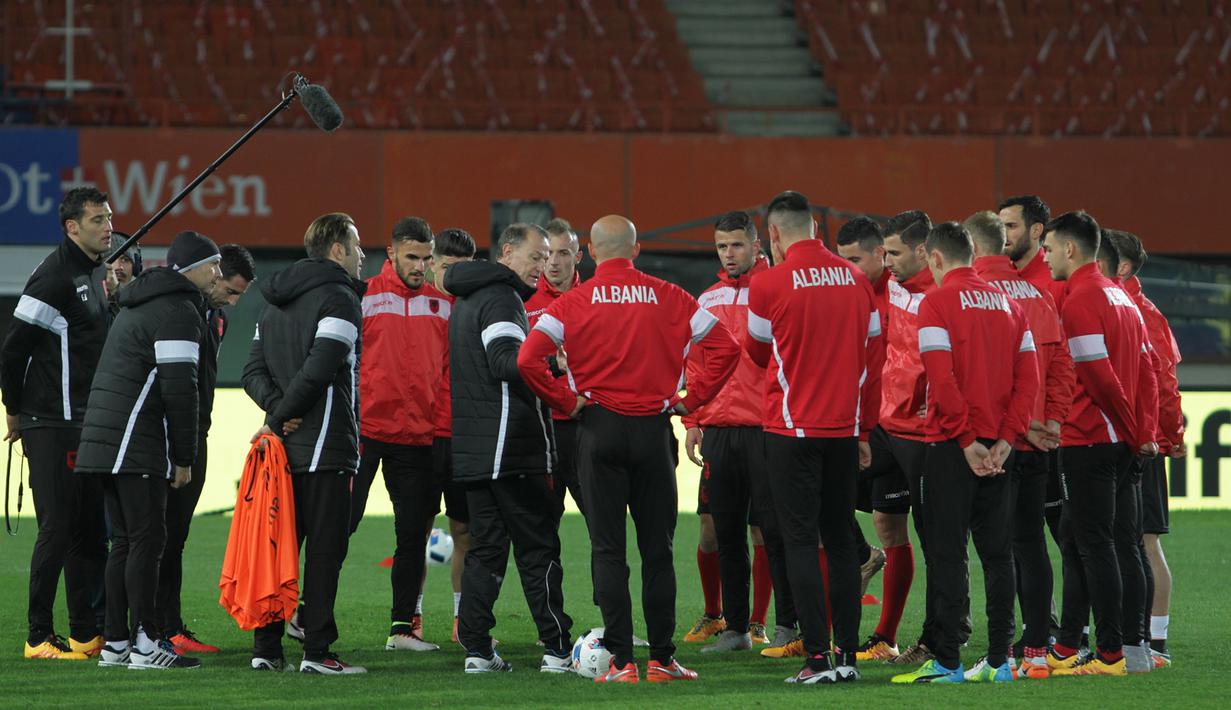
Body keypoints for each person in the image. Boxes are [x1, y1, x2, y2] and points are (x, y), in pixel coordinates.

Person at [519, 215, 740, 684]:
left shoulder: (573, 302)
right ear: (636, 250)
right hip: (653, 431)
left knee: (608, 549)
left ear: (593, 254)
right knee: (657, 549)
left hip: (597, 428)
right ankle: (662, 658)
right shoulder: (672, 296)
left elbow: (527, 359)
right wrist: (691, 400)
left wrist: (566, 400)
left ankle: (621, 663)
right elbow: (727, 348)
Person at [742, 192, 884, 684]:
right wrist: (864, 428)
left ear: (774, 235)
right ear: (817, 231)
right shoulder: (858, 282)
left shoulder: (768, 283)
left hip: (790, 430)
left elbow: (758, 353)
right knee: (842, 540)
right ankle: (846, 657)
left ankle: (817, 659)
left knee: (801, 542)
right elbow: (874, 362)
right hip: (844, 432)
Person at [890, 222, 1039, 684]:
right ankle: (999, 660)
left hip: (952, 449)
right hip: (999, 451)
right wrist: (1005, 442)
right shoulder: (1012, 305)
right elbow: (1028, 382)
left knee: (949, 554)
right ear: (972, 254)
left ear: (934, 259)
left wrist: (966, 441)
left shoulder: (937, 301)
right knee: (998, 556)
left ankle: (949, 661)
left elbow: (942, 377)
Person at [75, 230, 222, 670]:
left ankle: (117, 643)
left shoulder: (141, 303)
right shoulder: (179, 311)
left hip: (106, 440)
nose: (217, 274)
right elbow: (181, 390)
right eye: (212, 265)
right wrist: (183, 456)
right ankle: (146, 642)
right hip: (134, 441)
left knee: (123, 542)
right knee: (146, 541)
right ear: (189, 270)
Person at [443, 223, 573, 674]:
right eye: (536, 257)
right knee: (539, 548)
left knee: (486, 551)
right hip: (511, 446)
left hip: (477, 451)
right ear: (507, 253)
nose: (544, 266)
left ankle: (477, 650)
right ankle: (558, 651)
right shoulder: (502, 297)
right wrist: (555, 363)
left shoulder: (466, 299)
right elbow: (505, 361)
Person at [242, 213, 367, 674]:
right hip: (325, 445)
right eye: (355, 246)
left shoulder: (273, 301)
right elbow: (321, 368)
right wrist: (281, 417)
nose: (359, 255)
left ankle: (266, 649)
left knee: (277, 549)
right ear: (337, 250)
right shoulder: (339, 298)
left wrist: (275, 415)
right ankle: (317, 651)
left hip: (280, 452)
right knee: (325, 553)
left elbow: (252, 370)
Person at [1041, 211, 1158, 677]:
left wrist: (1132, 430)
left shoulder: (1082, 297)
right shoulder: (1120, 296)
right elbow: (1147, 374)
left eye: (1049, 248)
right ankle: (1123, 647)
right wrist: (1143, 433)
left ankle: (1109, 653)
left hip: (1092, 437)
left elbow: (1099, 378)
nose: (1045, 256)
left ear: (1071, 249)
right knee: (1106, 542)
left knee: (1095, 544)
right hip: (1121, 440)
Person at [2, 187, 112, 661]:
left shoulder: (92, 271)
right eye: (97, 221)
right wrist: (14, 411)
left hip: (83, 420)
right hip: (52, 422)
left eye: (108, 218)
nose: (108, 227)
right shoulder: (54, 279)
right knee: (58, 527)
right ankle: (37, 637)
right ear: (72, 227)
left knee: (89, 528)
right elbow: (12, 349)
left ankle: (86, 633)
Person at [966, 211, 1073, 679]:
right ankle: (1035, 649)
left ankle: (999, 652)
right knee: (1030, 543)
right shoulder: (1040, 294)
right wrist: (1049, 423)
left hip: (997, 440)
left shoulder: (974, 296)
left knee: (997, 548)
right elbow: (1061, 366)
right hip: (1035, 444)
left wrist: (1019, 428)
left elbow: (986, 375)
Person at [679, 211, 778, 653]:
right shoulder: (708, 298)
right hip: (719, 429)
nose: (729, 253)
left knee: (772, 531)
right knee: (726, 531)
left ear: (757, 246)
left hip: (766, 427)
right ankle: (736, 629)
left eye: (737, 245)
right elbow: (695, 364)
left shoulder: (774, 290)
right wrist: (694, 420)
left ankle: (776, 625)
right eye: (722, 246)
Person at [842, 211, 938, 665]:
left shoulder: (936, 295)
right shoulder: (881, 285)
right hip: (881, 420)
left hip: (919, 432)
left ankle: (902, 635)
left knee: (921, 532)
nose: (888, 261)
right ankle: (865, 563)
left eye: (894, 253)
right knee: (843, 497)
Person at [350, 216, 448, 652]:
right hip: (367, 431)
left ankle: (401, 629)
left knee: (412, 535)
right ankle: (306, 615)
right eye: (412, 257)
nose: (420, 266)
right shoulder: (364, 297)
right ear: (390, 254)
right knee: (339, 526)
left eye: (427, 258)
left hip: (418, 436)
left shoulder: (442, 304)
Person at [157, 243, 256, 656]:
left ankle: (166, 626)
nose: (232, 300)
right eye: (230, 290)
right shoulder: (179, 313)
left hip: (196, 431)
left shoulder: (214, 316)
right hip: (164, 435)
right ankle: (150, 628)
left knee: (174, 536)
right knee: (153, 536)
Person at [1103, 229, 1183, 667]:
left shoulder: (1141, 311)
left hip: (1142, 439)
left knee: (1144, 542)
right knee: (1122, 541)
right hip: (1126, 436)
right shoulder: (1121, 304)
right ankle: (1129, 634)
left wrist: (1167, 436)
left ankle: (1155, 640)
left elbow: (1164, 380)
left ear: (1122, 267)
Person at [429, 228, 478, 643]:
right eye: (446, 266)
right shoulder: (422, 305)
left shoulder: (475, 305)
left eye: (461, 268)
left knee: (464, 531)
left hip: (463, 434)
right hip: (422, 434)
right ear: (431, 264)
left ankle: (463, 622)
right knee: (415, 531)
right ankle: (407, 621)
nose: (452, 275)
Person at [524, 218, 586, 514]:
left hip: (585, 425)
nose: (553, 262)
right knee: (543, 522)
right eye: (547, 254)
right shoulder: (523, 301)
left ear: (578, 257)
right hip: (541, 425)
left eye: (563, 253)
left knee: (600, 519)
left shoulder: (594, 300)